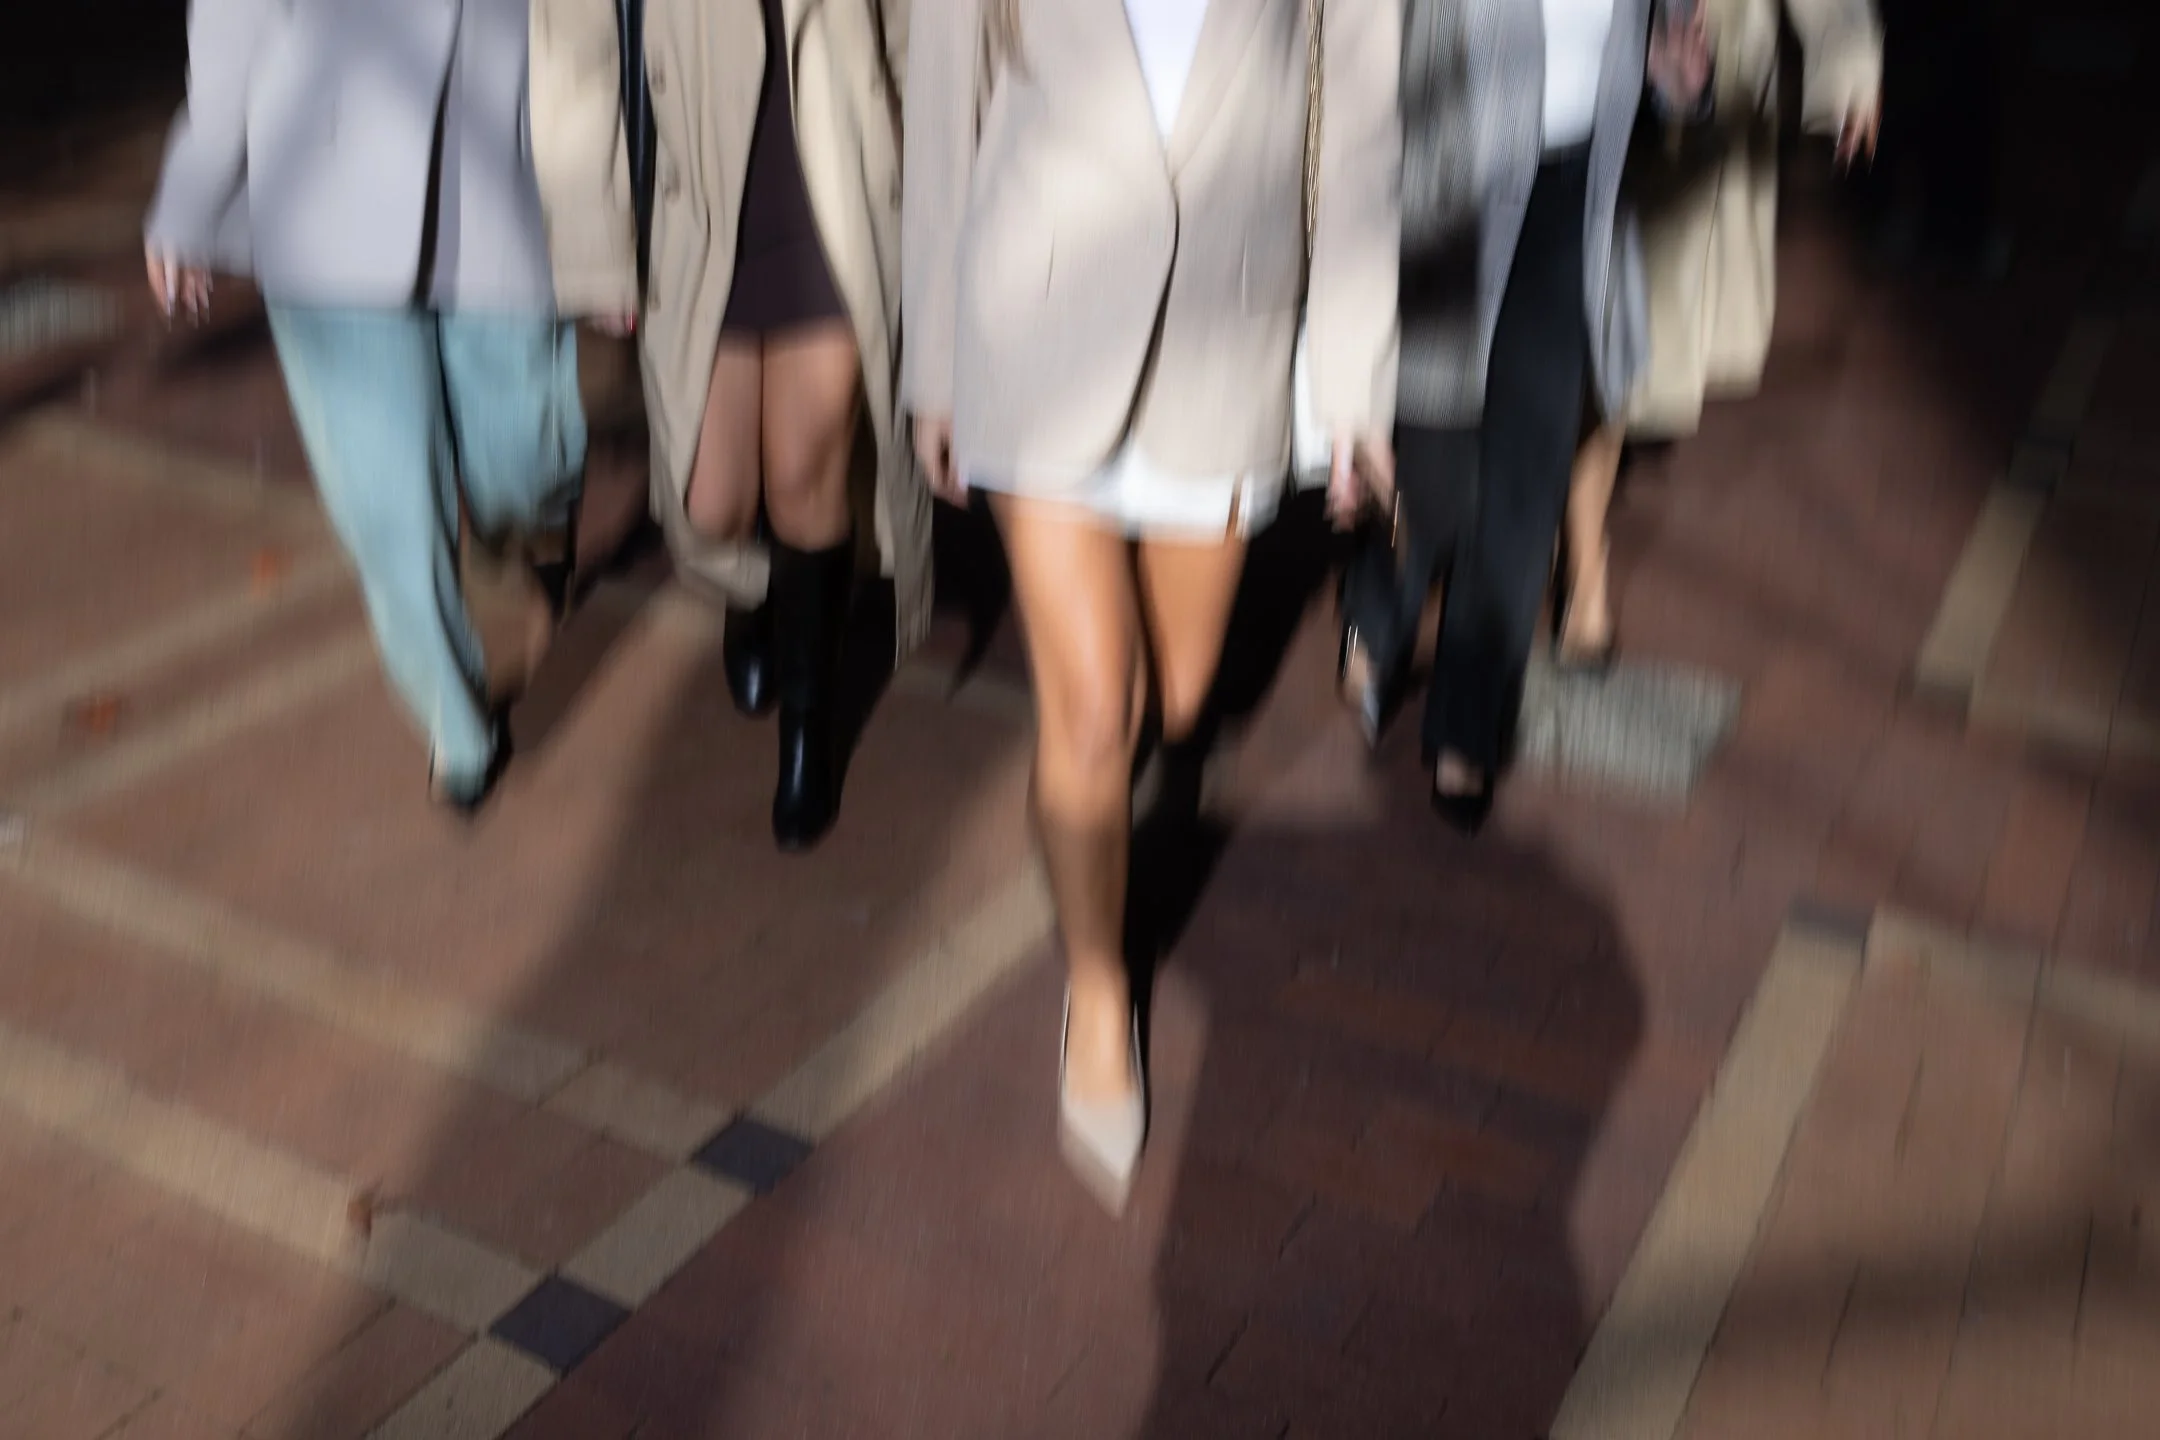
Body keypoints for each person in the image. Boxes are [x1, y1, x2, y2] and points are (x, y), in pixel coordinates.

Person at [904, 0, 1400, 1212]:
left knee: (1176, 700)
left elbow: (1364, 138)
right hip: (1038, 319)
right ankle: (1094, 991)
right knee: (1090, 711)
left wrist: (1351, 383)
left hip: (1224, 339)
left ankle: (1119, 854)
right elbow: (940, 118)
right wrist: (935, 366)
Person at [146, 0, 637, 815]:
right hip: (322, 208)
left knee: (526, 455)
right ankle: (457, 727)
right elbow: (234, 26)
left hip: (498, 181)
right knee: (389, 511)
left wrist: (605, 222)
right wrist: (188, 204)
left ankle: (527, 529)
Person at [558, 0, 922, 852]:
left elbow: (913, 25)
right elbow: (570, 53)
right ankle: (761, 599)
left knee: (805, 475)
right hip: (700, 206)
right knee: (712, 502)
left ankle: (809, 723)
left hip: (830, 190)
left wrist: (923, 182)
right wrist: (596, 238)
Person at [1339, 0, 1711, 831]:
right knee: (1432, 474)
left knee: (1524, 479)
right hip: (1445, 201)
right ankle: (1377, 602)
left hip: (1571, 201)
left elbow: (1669, 56)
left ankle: (1468, 725)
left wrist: (1677, 84)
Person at [1558, 0, 1881, 669]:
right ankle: (1414, 564)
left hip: (1689, 98)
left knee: (1611, 349)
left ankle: (1585, 570)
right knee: (1525, 327)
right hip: (1561, 60)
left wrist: (1848, 65)